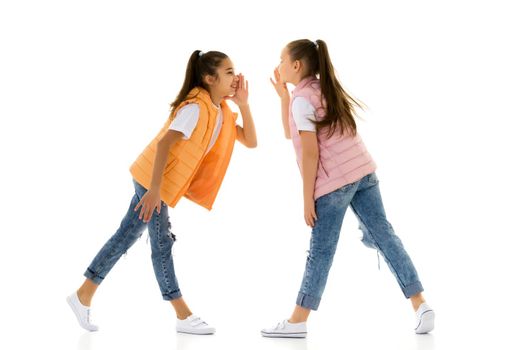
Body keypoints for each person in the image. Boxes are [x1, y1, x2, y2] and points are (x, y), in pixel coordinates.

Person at [67, 50, 257, 335]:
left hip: (161, 185)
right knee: (161, 243)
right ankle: (182, 314)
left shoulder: (222, 112)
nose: (236, 78)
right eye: (229, 72)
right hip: (151, 181)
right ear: (209, 78)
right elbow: (163, 145)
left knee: (126, 236)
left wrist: (244, 105)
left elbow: (251, 142)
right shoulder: (195, 107)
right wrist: (154, 191)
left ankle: (83, 295)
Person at [261, 39, 434, 338]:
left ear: (296, 66)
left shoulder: (303, 100)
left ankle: (298, 321)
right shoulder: (321, 89)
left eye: (281, 59)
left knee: (321, 251)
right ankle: (421, 304)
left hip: (334, 184)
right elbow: (291, 135)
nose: (278, 65)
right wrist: (282, 97)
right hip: (363, 172)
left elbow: (310, 152)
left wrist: (307, 199)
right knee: (384, 236)